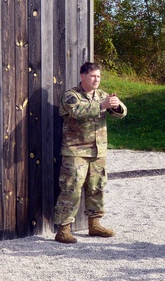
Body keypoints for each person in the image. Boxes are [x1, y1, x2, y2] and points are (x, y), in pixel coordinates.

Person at [53, 62, 127, 243]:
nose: (97, 80)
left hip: (98, 151)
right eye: (93, 76)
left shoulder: (102, 95)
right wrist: (102, 105)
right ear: (82, 76)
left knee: (97, 187)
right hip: (76, 151)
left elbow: (122, 113)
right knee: (71, 189)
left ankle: (94, 224)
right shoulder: (71, 96)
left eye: (99, 77)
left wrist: (116, 106)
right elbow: (78, 111)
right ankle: (63, 229)